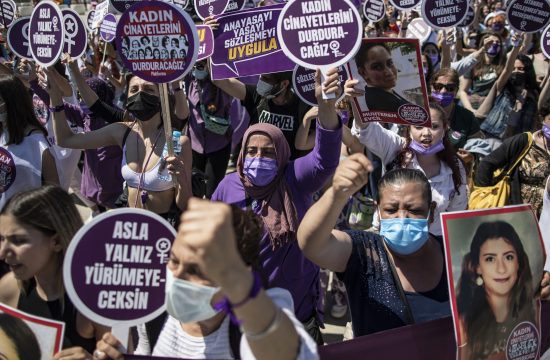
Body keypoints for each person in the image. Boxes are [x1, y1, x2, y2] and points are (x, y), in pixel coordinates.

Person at [211, 68, 343, 344]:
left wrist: (326, 104)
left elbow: (325, 160)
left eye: (269, 152)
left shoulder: (294, 178)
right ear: (242, 152)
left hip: (295, 312)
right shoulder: (227, 187)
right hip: (242, 313)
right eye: (252, 151)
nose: (259, 157)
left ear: (282, 154)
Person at [93, 199, 318, 360]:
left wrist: (237, 282)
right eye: (173, 261)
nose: (177, 276)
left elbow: (294, 354)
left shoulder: (261, 310)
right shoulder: (154, 311)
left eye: (196, 270)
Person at [298, 165, 450, 337]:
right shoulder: (364, 251)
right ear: (379, 210)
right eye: (391, 210)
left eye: (414, 210)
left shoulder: (454, 253)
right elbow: (311, 244)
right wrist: (336, 195)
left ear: (431, 210)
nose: (402, 219)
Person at [48, 70, 192, 226]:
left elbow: (185, 205)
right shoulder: (122, 132)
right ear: (127, 96)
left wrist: (182, 180)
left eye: (149, 89)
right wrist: (55, 99)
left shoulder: (176, 142)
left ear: (162, 96)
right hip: (128, 225)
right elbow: (65, 139)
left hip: (162, 227)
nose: (140, 94)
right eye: (134, 90)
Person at [347, 77, 467, 237]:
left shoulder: (455, 166)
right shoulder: (396, 148)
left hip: (432, 247)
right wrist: (357, 100)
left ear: (445, 129)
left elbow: (455, 218)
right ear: (408, 129)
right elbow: (366, 128)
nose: (426, 133)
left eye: (434, 127)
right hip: (389, 240)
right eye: (418, 126)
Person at [0, 186, 108, 358]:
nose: (3, 252)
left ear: (56, 241)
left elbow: (123, 353)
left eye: (18, 240)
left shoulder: (94, 303)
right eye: (2, 239)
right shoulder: (8, 289)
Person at [456, 221, 536, 360]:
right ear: (477, 267)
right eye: (490, 259)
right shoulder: (464, 322)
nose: (501, 268)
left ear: (519, 263)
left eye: (508, 257)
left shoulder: (534, 308)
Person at [475, 102, 550, 216]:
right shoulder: (523, 141)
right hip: (518, 214)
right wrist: (484, 193)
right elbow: (486, 164)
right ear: (542, 119)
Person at [0, 74, 59, 209]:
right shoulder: (3, 131)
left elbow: (55, 195)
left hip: (23, 223)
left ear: (12, 103)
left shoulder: (37, 142)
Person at [186, 60, 234, 198]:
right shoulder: (190, 79)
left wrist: (215, 75)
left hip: (219, 144)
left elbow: (228, 99)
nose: (197, 69)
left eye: (201, 65)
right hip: (194, 145)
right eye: (194, 65)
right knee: (194, 190)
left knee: (212, 193)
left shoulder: (222, 82)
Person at [429, 67, 482, 165]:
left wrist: (472, 156)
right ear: (431, 88)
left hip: (455, 172)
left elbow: (478, 147)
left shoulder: (467, 117)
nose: (443, 91)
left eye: (450, 88)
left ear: (456, 91)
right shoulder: (421, 112)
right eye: (438, 86)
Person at [354, 42, 410, 112]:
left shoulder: (385, 92)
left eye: (390, 63)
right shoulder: (379, 101)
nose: (389, 72)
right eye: (377, 67)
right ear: (363, 73)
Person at [459, 32, 506, 111]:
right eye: (490, 42)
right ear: (483, 44)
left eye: (497, 42)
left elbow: (521, 49)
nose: (494, 44)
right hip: (475, 107)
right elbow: (463, 91)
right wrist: (470, 110)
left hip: (494, 108)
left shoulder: (504, 63)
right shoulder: (473, 63)